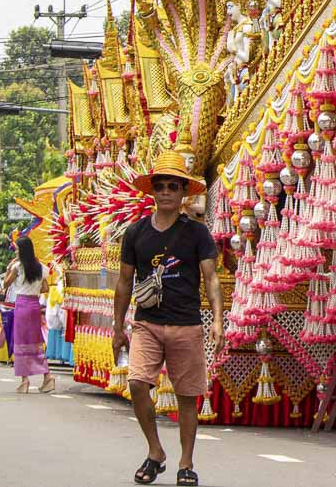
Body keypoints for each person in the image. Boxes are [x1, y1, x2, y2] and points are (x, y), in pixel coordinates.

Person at [114, 151, 224, 487]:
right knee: (136, 383)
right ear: (153, 191)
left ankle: (186, 463)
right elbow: (124, 281)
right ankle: (155, 450)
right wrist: (118, 326)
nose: (165, 192)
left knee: (186, 397)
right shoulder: (135, 233)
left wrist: (217, 320)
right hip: (147, 322)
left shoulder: (197, 233)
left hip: (186, 324)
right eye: (160, 186)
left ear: (182, 193)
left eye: (172, 186)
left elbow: (212, 279)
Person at [3, 236, 54, 394]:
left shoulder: (18, 267)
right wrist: (33, 288)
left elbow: (5, 283)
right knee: (35, 341)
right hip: (34, 306)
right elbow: (45, 288)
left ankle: (25, 380)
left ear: (22, 250)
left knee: (20, 342)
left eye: (17, 249)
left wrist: (9, 268)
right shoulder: (40, 267)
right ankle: (47, 376)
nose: (16, 251)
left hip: (22, 305)